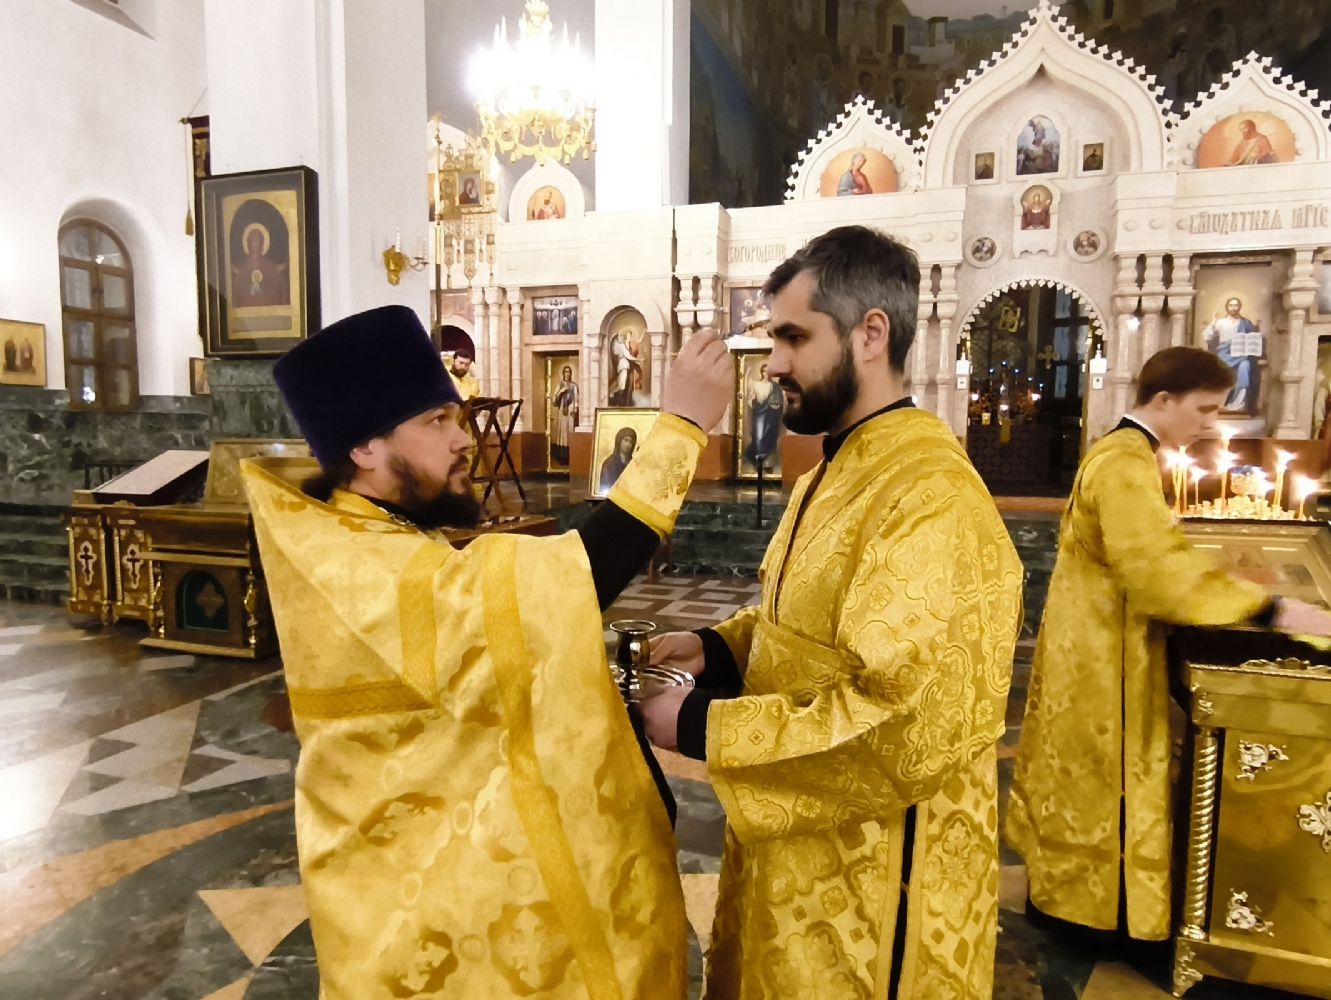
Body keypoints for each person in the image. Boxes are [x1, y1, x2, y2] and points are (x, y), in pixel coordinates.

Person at [241, 306, 734, 999]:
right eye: (436, 421)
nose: (463, 439)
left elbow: (485, 663)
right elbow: (566, 581)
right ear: (366, 448)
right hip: (416, 927)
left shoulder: (368, 533)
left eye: (459, 417)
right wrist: (680, 429)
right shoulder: (351, 567)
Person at [643, 226, 1025, 997]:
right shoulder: (839, 465)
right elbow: (802, 624)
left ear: (869, 334)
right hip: (801, 865)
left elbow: (902, 723)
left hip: (876, 896)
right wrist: (716, 649)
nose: (772, 364)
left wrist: (700, 725)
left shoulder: (929, 494)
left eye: (793, 337)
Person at [1006, 347, 1331, 955]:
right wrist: (1271, 609)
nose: (1209, 424)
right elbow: (1157, 571)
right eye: (1203, 410)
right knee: (1102, 780)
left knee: (1089, 779)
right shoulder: (1124, 464)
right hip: (1104, 657)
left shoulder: (1123, 452)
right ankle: (1094, 915)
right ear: (1163, 400)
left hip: (1096, 644)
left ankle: (1085, 903)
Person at [1202, 296, 1261, 414]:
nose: (1233, 308)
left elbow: (1253, 338)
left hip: (1240, 354)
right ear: (1227, 307)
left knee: (1245, 366)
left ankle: (1238, 404)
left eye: (1236, 305)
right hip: (1224, 354)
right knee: (1220, 374)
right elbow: (1207, 337)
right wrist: (1213, 322)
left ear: (1239, 307)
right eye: (1231, 305)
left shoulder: (1245, 322)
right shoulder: (1221, 322)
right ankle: (1220, 403)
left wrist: (1257, 330)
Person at [230, 224, 290, 308]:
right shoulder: (241, 268)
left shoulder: (271, 267)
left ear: (262, 242)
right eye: (253, 240)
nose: (255, 243)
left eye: (258, 240)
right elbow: (237, 293)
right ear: (248, 242)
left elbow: (277, 283)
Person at [744, 362, 783, 472]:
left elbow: (778, 402)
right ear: (761, 372)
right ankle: (758, 462)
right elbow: (751, 398)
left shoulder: (774, 386)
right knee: (759, 438)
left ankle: (767, 464)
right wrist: (751, 400)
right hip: (759, 415)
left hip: (771, 417)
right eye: (764, 371)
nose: (765, 374)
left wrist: (776, 405)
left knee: (770, 438)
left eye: (767, 371)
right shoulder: (756, 384)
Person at [440, 327, 480, 401]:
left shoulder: (472, 383)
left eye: (467, 365)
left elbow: (476, 401)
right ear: (453, 361)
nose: (463, 367)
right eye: (461, 363)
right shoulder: (443, 378)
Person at [550, 364, 578, 465]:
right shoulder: (560, 385)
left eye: (569, 371)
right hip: (562, 410)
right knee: (562, 431)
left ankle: (570, 454)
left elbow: (576, 399)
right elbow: (554, 399)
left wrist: (575, 409)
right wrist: (561, 392)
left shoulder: (574, 386)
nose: (567, 373)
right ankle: (561, 455)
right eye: (565, 371)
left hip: (570, 410)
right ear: (563, 373)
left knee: (569, 430)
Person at [598, 426, 637, 494]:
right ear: (619, 441)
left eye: (631, 442)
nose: (628, 444)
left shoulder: (634, 463)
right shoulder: (609, 463)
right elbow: (605, 486)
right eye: (626, 440)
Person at [611, 329, 643, 406]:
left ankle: (624, 401)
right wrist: (639, 360)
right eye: (628, 335)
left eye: (630, 335)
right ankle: (616, 399)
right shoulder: (622, 346)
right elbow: (628, 356)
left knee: (625, 385)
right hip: (624, 366)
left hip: (626, 367)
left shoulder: (626, 345)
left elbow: (639, 341)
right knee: (622, 385)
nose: (629, 337)